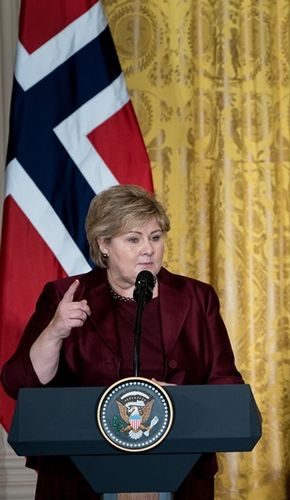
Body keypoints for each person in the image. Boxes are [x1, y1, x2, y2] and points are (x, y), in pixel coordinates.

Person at [1, 184, 245, 499]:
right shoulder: (65, 296)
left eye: (155, 238)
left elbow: (227, 386)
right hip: (81, 476)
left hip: (177, 472)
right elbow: (17, 383)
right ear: (104, 244)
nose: (149, 249)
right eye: (133, 239)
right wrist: (56, 331)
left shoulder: (197, 298)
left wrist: (182, 402)